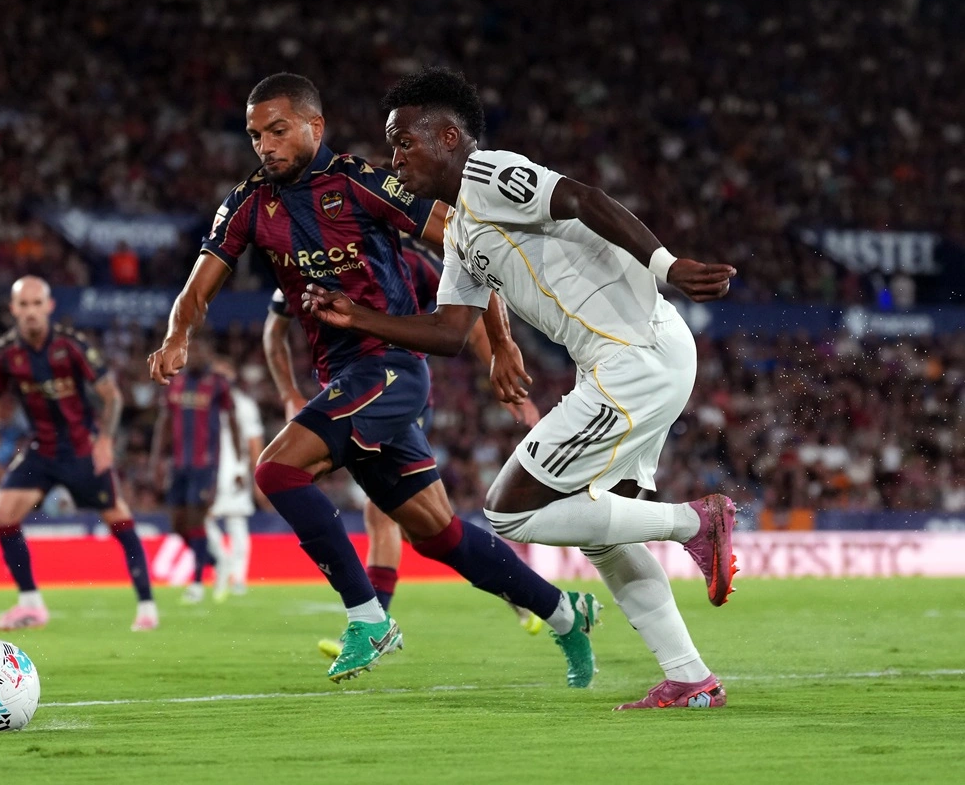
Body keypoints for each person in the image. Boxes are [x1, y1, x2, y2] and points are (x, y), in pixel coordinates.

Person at [302, 67, 739, 709]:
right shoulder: (460, 230)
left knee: (509, 508)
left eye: (404, 142)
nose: (395, 158)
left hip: (634, 356)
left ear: (450, 137)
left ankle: (694, 520)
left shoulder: (488, 174)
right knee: (602, 530)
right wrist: (358, 316)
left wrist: (667, 265)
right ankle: (690, 676)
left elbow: (585, 199)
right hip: (633, 361)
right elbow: (452, 332)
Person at [149, 72, 600, 685]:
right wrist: (178, 334)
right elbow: (200, 284)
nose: (266, 146)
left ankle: (368, 617)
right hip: (344, 377)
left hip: (390, 367)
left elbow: (467, 241)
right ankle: (565, 612)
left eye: (278, 131)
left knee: (277, 470)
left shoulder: (362, 184)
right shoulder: (251, 202)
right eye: (256, 136)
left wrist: (500, 342)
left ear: (315, 126)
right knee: (438, 537)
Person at [263, 240, 545, 661]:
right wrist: (287, 392)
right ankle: (533, 598)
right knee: (432, 531)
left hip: (398, 392)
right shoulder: (307, 261)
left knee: (383, 513)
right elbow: (274, 330)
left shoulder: (409, 260)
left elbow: (470, 307)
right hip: (348, 390)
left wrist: (497, 370)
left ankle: (373, 621)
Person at [0, 276, 158, 632]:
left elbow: (112, 395)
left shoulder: (71, 346)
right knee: (1, 514)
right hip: (41, 450)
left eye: (36, 303)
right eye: (23, 305)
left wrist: (105, 440)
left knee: (118, 518)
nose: (30, 312)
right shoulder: (4, 355)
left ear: (49, 306)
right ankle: (31, 605)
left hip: (81, 450)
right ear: (13, 309)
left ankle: (147, 605)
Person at [150, 338, 241, 604]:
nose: (198, 356)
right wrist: (157, 459)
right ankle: (215, 560)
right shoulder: (174, 383)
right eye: (194, 352)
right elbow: (164, 422)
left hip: (205, 464)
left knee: (195, 520)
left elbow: (232, 419)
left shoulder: (217, 385)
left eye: (203, 351)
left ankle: (198, 582)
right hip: (178, 464)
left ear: (210, 356)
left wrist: (236, 461)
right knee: (178, 525)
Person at [205, 356, 265, 601]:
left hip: (235, 472)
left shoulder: (245, 405)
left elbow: (254, 443)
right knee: (202, 520)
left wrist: (255, 474)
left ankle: (239, 578)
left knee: (237, 524)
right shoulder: (205, 403)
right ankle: (224, 560)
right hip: (208, 471)